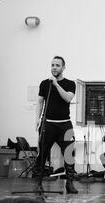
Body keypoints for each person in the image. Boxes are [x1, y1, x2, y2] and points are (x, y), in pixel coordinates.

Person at [35, 56, 78, 194]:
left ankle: (69, 183)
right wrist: (37, 119)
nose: (54, 67)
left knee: (69, 153)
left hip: (65, 124)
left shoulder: (70, 84)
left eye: (57, 65)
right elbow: (40, 102)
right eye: (52, 65)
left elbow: (68, 98)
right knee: (42, 154)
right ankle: (38, 183)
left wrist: (56, 85)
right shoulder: (44, 84)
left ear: (63, 68)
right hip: (48, 124)